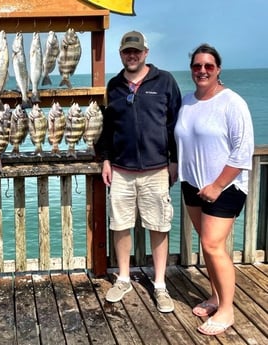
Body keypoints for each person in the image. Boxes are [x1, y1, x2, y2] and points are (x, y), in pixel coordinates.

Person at [174, 44, 254, 336]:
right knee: (207, 244)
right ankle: (216, 296)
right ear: (191, 69)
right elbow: (182, 141)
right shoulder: (187, 102)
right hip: (192, 184)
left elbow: (242, 152)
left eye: (208, 65)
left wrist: (218, 185)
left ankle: (227, 310)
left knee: (212, 246)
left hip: (226, 186)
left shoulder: (232, 103)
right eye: (197, 66)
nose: (202, 71)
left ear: (218, 69)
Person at [100, 31, 181, 313]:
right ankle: (123, 277)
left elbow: (175, 125)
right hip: (121, 170)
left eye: (136, 51)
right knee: (119, 225)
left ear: (146, 52)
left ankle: (160, 284)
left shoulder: (165, 81)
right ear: (121, 54)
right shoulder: (114, 86)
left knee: (158, 225)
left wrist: (175, 160)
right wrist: (106, 160)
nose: (131, 55)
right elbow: (107, 130)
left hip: (157, 168)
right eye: (126, 52)